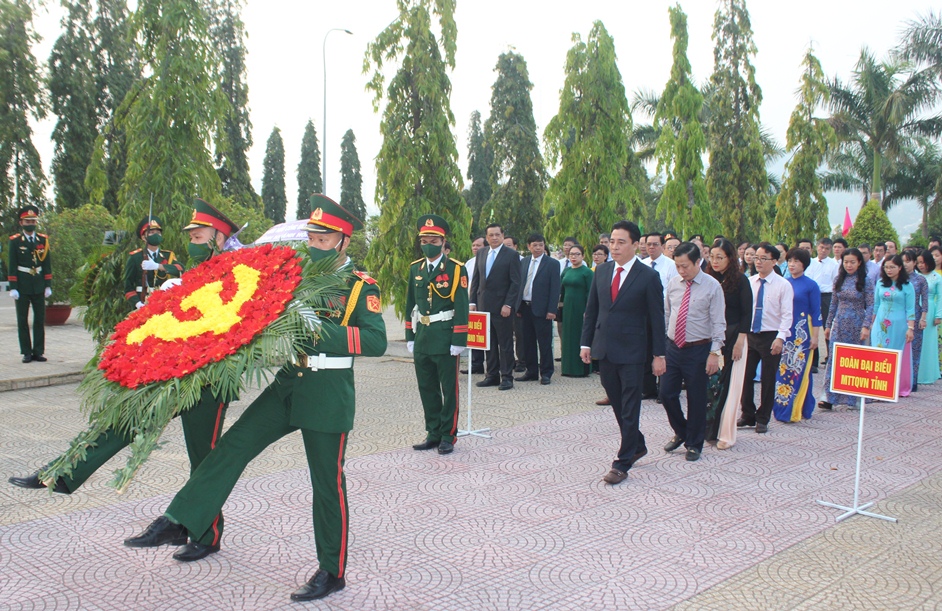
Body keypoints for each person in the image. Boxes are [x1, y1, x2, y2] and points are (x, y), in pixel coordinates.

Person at [129, 195, 386, 602]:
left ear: (343, 242)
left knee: (327, 484)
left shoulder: (360, 286)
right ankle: (182, 519)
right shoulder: (297, 277)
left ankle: (331, 571)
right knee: (232, 447)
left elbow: (375, 340)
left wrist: (315, 331)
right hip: (288, 385)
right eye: (313, 237)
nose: (315, 245)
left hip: (328, 395)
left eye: (324, 239)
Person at [10, 199, 239, 540]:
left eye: (198, 234)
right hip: (176, 372)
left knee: (203, 458)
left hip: (209, 381)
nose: (191, 240)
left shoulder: (232, 271)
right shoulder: (193, 271)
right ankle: (63, 472)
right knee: (125, 419)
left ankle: (205, 534)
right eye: (189, 235)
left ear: (218, 237)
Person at [580, 221, 665, 485]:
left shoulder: (648, 276)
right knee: (617, 402)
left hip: (633, 351)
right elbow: (592, 310)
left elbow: (657, 318)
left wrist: (659, 354)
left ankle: (623, 460)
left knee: (630, 405)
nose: (614, 247)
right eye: (612, 242)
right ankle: (637, 443)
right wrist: (586, 344)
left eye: (620, 242)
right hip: (605, 348)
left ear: (635, 244)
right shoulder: (602, 271)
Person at [407, 215, 469, 454]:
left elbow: (462, 306)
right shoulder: (416, 269)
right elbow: (409, 303)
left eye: (433, 239)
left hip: (445, 337)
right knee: (427, 387)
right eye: (424, 240)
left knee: (448, 388)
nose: (428, 244)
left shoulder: (455, 268)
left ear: (443, 241)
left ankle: (447, 435)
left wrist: (459, 340)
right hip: (422, 334)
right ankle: (432, 432)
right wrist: (409, 335)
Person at [660, 242, 726, 462]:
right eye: (678, 266)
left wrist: (714, 353)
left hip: (699, 348)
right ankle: (682, 431)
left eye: (685, 266)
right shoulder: (673, 283)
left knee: (696, 398)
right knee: (667, 394)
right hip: (673, 347)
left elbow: (718, 322)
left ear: (698, 262)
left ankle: (694, 444)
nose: (681, 271)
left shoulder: (712, 286)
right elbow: (668, 314)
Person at [739, 243, 793, 434]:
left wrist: (780, 338)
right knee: (745, 376)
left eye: (763, 258)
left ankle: (763, 418)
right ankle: (747, 413)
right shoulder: (750, 282)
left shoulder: (783, 285)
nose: (758, 262)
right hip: (750, 334)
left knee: (768, 379)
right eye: (756, 258)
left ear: (774, 261)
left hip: (771, 335)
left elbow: (787, 315)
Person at [706, 238, 752, 447]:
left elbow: (746, 313)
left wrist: (740, 341)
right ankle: (710, 430)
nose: (715, 261)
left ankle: (726, 434)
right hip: (713, 338)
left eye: (720, 258)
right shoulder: (708, 279)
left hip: (734, 337)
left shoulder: (741, 281)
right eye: (712, 257)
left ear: (730, 258)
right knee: (712, 386)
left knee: (730, 386)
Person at [819, 249, 874, 410]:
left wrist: (866, 326)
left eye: (852, 262)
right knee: (835, 359)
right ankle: (829, 397)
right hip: (840, 323)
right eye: (846, 262)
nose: (849, 265)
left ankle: (853, 397)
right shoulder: (839, 279)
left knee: (855, 359)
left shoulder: (866, 280)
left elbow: (870, 305)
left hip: (857, 323)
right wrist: (828, 325)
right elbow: (833, 304)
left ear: (859, 263)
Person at [469, 223, 522, 391]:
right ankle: (491, 375)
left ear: (502, 235)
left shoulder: (511, 255)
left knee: (504, 343)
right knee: (488, 343)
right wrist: (472, 302)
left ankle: (507, 377)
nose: (494, 237)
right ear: (486, 237)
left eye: (497, 235)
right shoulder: (482, 253)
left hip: (502, 308)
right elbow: (476, 280)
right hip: (483, 306)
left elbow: (516, 283)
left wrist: (508, 304)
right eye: (490, 235)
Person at [772, 248, 821, 423]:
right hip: (785, 331)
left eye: (796, 261)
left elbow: (816, 313)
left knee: (799, 369)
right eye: (790, 261)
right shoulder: (784, 283)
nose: (792, 265)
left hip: (802, 332)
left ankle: (793, 410)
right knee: (783, 369)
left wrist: (815, 337)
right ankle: (784, 405)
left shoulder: (811, 285)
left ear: (804, 264)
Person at [514, 233, 560, 385]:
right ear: (529, 247)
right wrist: (518, 306)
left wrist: (552, 310)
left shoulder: (552, 263)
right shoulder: (524, 262)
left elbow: (555, 288)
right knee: (527, 342)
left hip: (542, 309)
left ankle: (546, 373)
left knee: (544, 342)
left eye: (541, 245)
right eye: (535, 245)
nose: (538, 248)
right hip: (525, 307)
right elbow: (519, 285)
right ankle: (531, 371)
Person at [7, 206, 52, 363]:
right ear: (21, 223)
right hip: (22, 285)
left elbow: (46, 263)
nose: (31, 223)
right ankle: (26, 352)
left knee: (39, 319)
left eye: (33, 221)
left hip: (38, 284)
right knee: (22, 320)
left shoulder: (42, 240)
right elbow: (12, 264)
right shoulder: (15, 241)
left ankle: (38, 351)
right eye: (28, 221)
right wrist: (13, 287)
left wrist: (48, 284)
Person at [871, 254, 915, 396]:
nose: (889, 270)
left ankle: (897, 387)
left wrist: (910, 328)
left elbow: (910, 309)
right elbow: (876, 305)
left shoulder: (908, 286)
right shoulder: (880, 283)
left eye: (892, 267)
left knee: (896, 354)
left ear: (900, 268)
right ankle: (879, 385)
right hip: (880, 324)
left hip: (899, 324)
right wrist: (871, 324)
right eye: (886, 267)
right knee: (879, 352)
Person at [124, 216, 184, 308]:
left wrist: (158, 266)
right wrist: (138, 304)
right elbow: (128, 286)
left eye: (158, 233)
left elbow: (181, 269)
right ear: (144, 237)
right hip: (143, 302)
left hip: (164, 302)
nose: (156, 235)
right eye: (151, 233)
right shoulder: (135, 257)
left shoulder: (168, 256)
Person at [559, 243, 592, 377]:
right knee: (567, 337)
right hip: (567, 308)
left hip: (581, 308)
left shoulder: (587, 272)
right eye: (571, 254)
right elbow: (561, 290)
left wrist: (588, 310)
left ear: (583, 256)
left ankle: (581, 369)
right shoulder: (566, 271)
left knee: (579, 336)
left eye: (577, 254)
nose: (574, 257)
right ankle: (567, 368)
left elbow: (591, 292)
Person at [806, 238, 838, 374]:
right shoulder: (810, 262)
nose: (823, 250)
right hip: (811, 295)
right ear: (816, 247)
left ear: (830, 250)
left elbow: (836, 282)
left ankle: (830, 359)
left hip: (827, 296)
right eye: (821, 247)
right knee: (811, 327)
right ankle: (813, 361)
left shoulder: (833, 264)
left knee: (827, 326)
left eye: (827, 248)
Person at [903, 250, 928, 391]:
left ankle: (912, 380)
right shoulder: (897, 279)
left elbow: (924, 300)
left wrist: (923, 318)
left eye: (908, 261)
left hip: (916, 317)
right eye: (903, 261)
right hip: (900, 316)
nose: (906, 264)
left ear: (914, 263)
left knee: (914, 349)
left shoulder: (920, 280)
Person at [461, 236, 486, 374]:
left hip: (483, 303)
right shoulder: (469, 263)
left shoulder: (487, 261)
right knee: (474, 335)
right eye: (474, 245)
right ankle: (476, 364)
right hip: (470, 304)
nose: (475, 248)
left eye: (478, 245)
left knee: (487, 337)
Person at [916, 251, 941, 385]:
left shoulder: (936, 277)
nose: (921, 265)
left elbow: (941, 297)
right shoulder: (915, 276)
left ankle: (927, 374)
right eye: (918, 262)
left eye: (923, 262)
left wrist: (938, 315)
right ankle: (916, 373)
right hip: (915, 308)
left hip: (930, 309)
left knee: (927, 342)